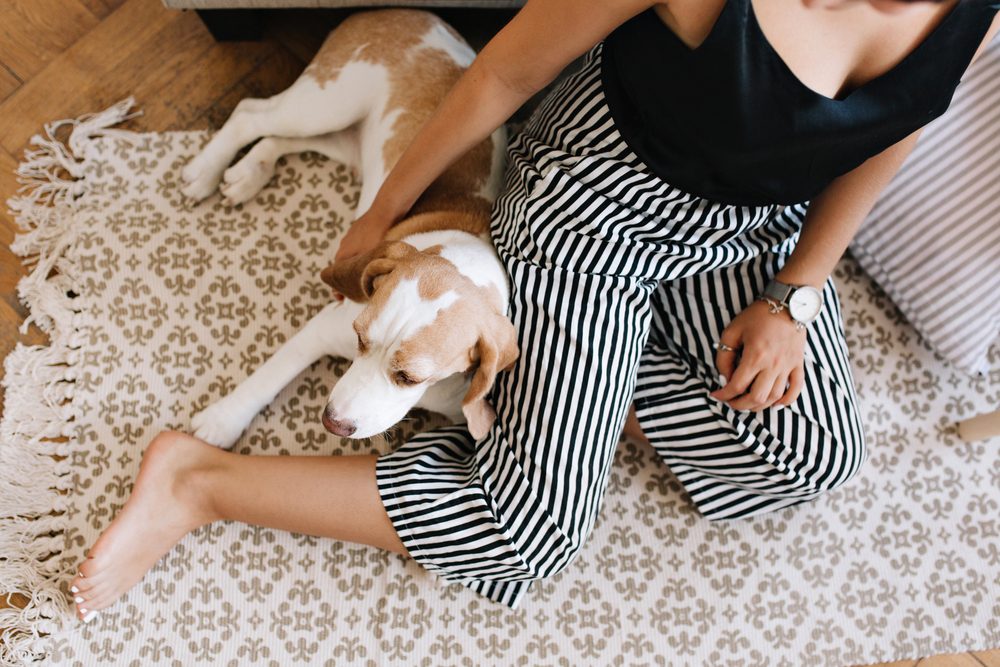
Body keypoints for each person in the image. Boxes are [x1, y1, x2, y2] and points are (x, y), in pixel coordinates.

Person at [68, 0, 999, 620]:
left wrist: (794, 294)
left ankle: (552, 390)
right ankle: (196, 481)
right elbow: (498, 79)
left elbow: (893, 134)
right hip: (593, 208)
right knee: (532, 534)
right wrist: (381, 217)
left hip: (753, 230)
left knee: (811, 452)